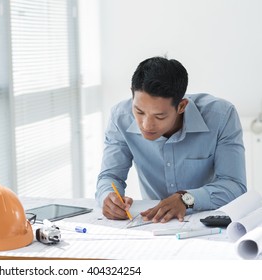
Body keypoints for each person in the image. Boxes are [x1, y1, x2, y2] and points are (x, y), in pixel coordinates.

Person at [95, 56, 247, 223]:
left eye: (159, 116)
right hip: (153, 223)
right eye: (139, 112)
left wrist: (186, 199)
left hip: (207, 220)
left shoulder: (221, 116)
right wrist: (108, 197)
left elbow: (234, 186)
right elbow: (110, 176)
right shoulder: (120, 117)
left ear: (181, 106)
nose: (146, 125)